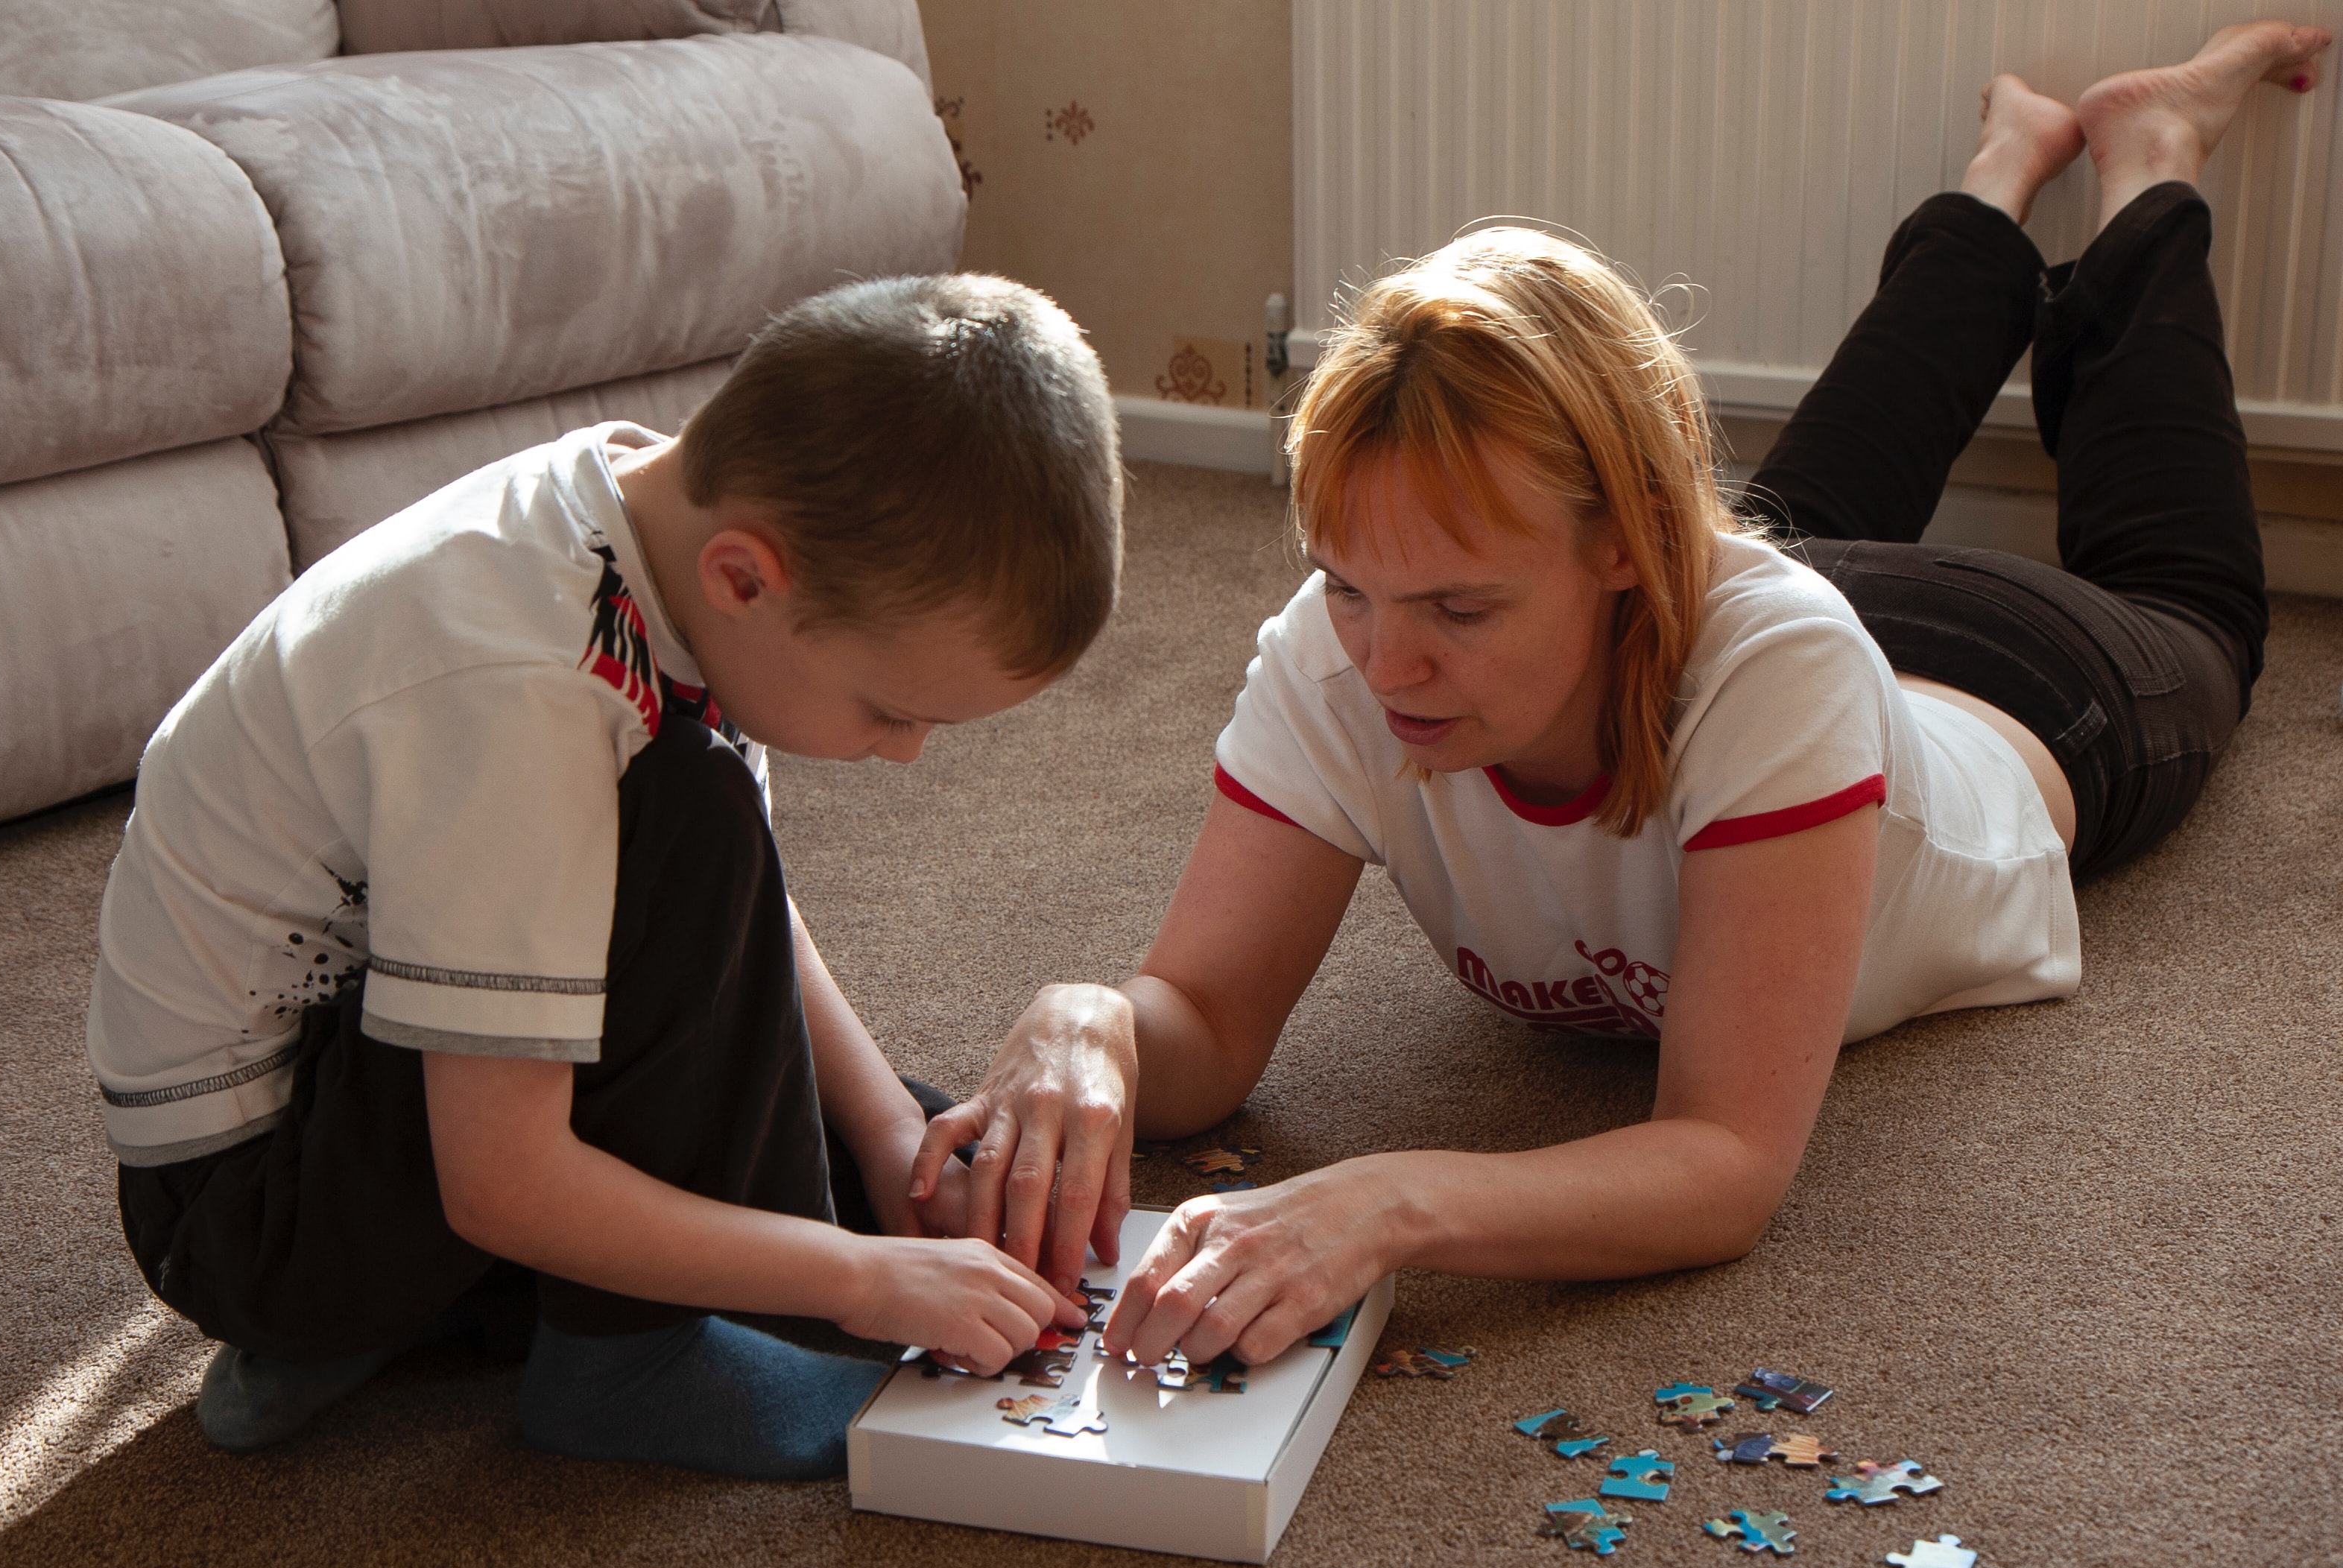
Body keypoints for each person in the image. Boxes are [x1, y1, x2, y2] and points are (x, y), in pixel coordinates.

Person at [910, 24, 2330, 1371]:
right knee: (1816, 497)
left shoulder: (1775, 661)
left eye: (1458, 609)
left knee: (2191, 601)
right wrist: (1088, 1013)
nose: (1384, 662)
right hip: (1720, 613)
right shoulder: (1349, 641)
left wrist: (1390, 1202)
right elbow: (1208, 1030)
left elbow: (1723, 1163)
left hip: (2012, 687)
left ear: (1628, 548)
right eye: (1349, 581)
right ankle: (2001, 180)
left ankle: (2148, 162)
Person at [88, 275, 1120, 1476]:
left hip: (383, 1081)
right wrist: (857, 1276)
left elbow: (739, 925)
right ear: (748, 578)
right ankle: (626, 1367)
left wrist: (888, 1133)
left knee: (900, 1139)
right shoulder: (527, 682)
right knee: (693, 822)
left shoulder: (655, 523)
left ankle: (449, 1318)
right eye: (892, 710)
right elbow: (503, 1181)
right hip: (249, 1215)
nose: (907, 751)